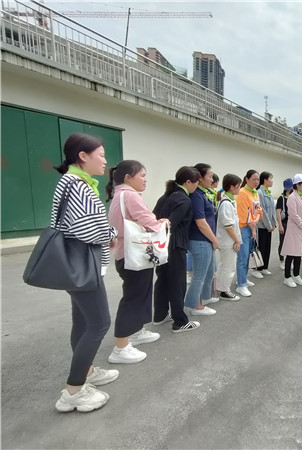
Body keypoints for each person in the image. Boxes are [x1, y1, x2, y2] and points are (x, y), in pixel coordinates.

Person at [52, 133, 118, 413]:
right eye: (100, 155)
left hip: (74, 265)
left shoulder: (69, 181)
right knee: (99, 323)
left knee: (82, 321)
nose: (105, 161)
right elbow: (87, 229)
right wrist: (111, 233)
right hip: (84, 264)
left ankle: (86, 371)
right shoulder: (78, 185)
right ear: (82, 156)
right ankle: (73, 391)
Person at [106, 160, 166, 364]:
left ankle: (136, 331)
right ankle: (121, 347)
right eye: (142, 175)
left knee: (140, 294)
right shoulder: (130, 195)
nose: (145, 179)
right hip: (133, 255)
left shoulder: (119, 194)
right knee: (133, 298)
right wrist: (164, 223)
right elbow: (149, 222)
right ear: (128, 178)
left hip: (128, 254)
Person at [153, 166, 201, 334]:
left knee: (163, 280)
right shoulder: (184, 199)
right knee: (177, 283)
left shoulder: (165, 196)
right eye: (196, 182)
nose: (197, 186)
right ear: (188, 182)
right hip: (175, 245)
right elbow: (170, 223)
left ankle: (159, 315)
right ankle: (180, 322)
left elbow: (155, 218)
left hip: (161, 246)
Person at [184, 163, 219, 316]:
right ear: (200, 177)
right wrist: (214, 240)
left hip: (207, 240)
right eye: (210, 176)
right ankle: (193, 306)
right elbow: (201, 222)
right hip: (200, 240)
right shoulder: (196, 195)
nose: (212, 179)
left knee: (210, 271)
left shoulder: (204, 193)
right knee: (199, 275)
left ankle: (205, 297)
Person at [281, 173, 302, 288]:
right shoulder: (292, 197)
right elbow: (293, 214)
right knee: (291, 253)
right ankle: (287, 277)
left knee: (299, 253)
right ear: (297, 185)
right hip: (294, 229)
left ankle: (296, 274)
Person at [215, 174, 243, 301]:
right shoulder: (226, 203)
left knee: (224, 266)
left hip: (227, 240)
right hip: (228, 241)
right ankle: (224, 291)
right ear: (231, 187)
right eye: (238, 186)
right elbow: (228, 226)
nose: (239, 188)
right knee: (229, 267)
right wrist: (237, 240)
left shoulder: (229, 201)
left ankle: (219, 288)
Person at [235, 169, 262, 297]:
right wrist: (252, 228)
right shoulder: (242, 193)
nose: (256, 182)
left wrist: (255, 222)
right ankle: (241, 285)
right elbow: (244, 214)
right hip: (244, 228)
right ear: (246, 179)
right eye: (254, 179)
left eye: (258, 179)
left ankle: (243, 279)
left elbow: (258, 211)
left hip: (252, 226)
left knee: (248, 255)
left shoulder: (255, 193)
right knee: (243, 256)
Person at [254, 171, 277, 278]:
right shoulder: (259, 193)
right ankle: (257, 269)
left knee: (267, 247)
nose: (272, 181)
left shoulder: (269, 193)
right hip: (262, 226)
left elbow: (272, 211)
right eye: (271, 178)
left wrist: (273, 224)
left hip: (269, 226)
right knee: (261, 247)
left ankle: (264, 267)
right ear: (265, 180)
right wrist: (269, 226)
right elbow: (261, 211)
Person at [276, 178, 293, 270]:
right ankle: (282, 260)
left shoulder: (293, 197)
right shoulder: (281, 198)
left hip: (292, 223)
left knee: (291, 243)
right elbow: (278, 212)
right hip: (284, 222)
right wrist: (280, 225)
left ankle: (289, 260)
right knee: (282, 242)